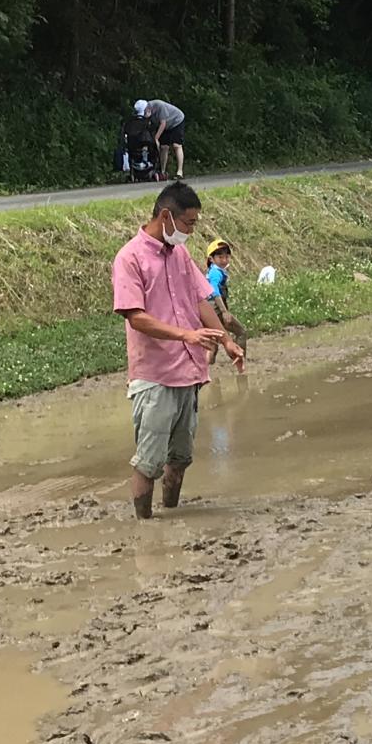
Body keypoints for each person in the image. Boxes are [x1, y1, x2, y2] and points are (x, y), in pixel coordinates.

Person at [112, 182, 244, 519]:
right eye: (188, 224)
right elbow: (135, 317)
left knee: (180, 458)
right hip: (154, 375)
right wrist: (186, 335)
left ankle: (170, 516)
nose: (190, 231)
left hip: (188, 373)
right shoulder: (130, 258)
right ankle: (145, 525)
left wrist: (226, 340)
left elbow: (200, 299)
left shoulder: (180, 255)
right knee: (149, 461)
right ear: (166, 216)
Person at [203, 239, 249, 361]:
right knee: (241, 332)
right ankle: (240, 360)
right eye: (220, 257)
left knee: (213, 344)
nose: (224, 260)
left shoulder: (215, 271)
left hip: (210, 311)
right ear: (211, 259)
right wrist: (224, 311)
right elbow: (214, 291)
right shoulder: (215, 273)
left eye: (226, 257)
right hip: (215, 310)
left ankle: (208, 371)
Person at [134, 98, 188, 179]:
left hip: (176, 121)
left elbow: (163, 123)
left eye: (144, 112)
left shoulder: (159, 105)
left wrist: (156, 138)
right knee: (163, 147)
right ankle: (162, 171)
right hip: (164, 126)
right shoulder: (147, 113)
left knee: (176, 145)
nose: (144, 115)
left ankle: (179, 172)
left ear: (147, 108)